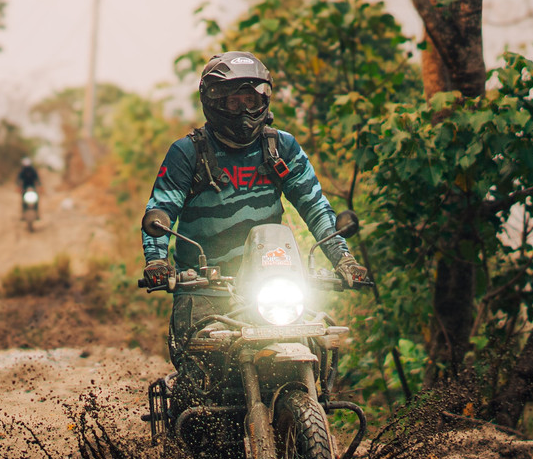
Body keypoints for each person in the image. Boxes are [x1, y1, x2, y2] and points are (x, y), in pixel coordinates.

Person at [141, 51, 367, 369]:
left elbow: (315, 205)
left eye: (250, 100)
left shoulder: (281, 148)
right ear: (214, 101)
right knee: (201, 370)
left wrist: (343, 258)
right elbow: (160, 209)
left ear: (263, 100)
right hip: (205, 288)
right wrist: (157, 261)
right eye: (234, 102)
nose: (244, 111)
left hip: (271, 283)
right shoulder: (188, 152)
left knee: (318, 345)